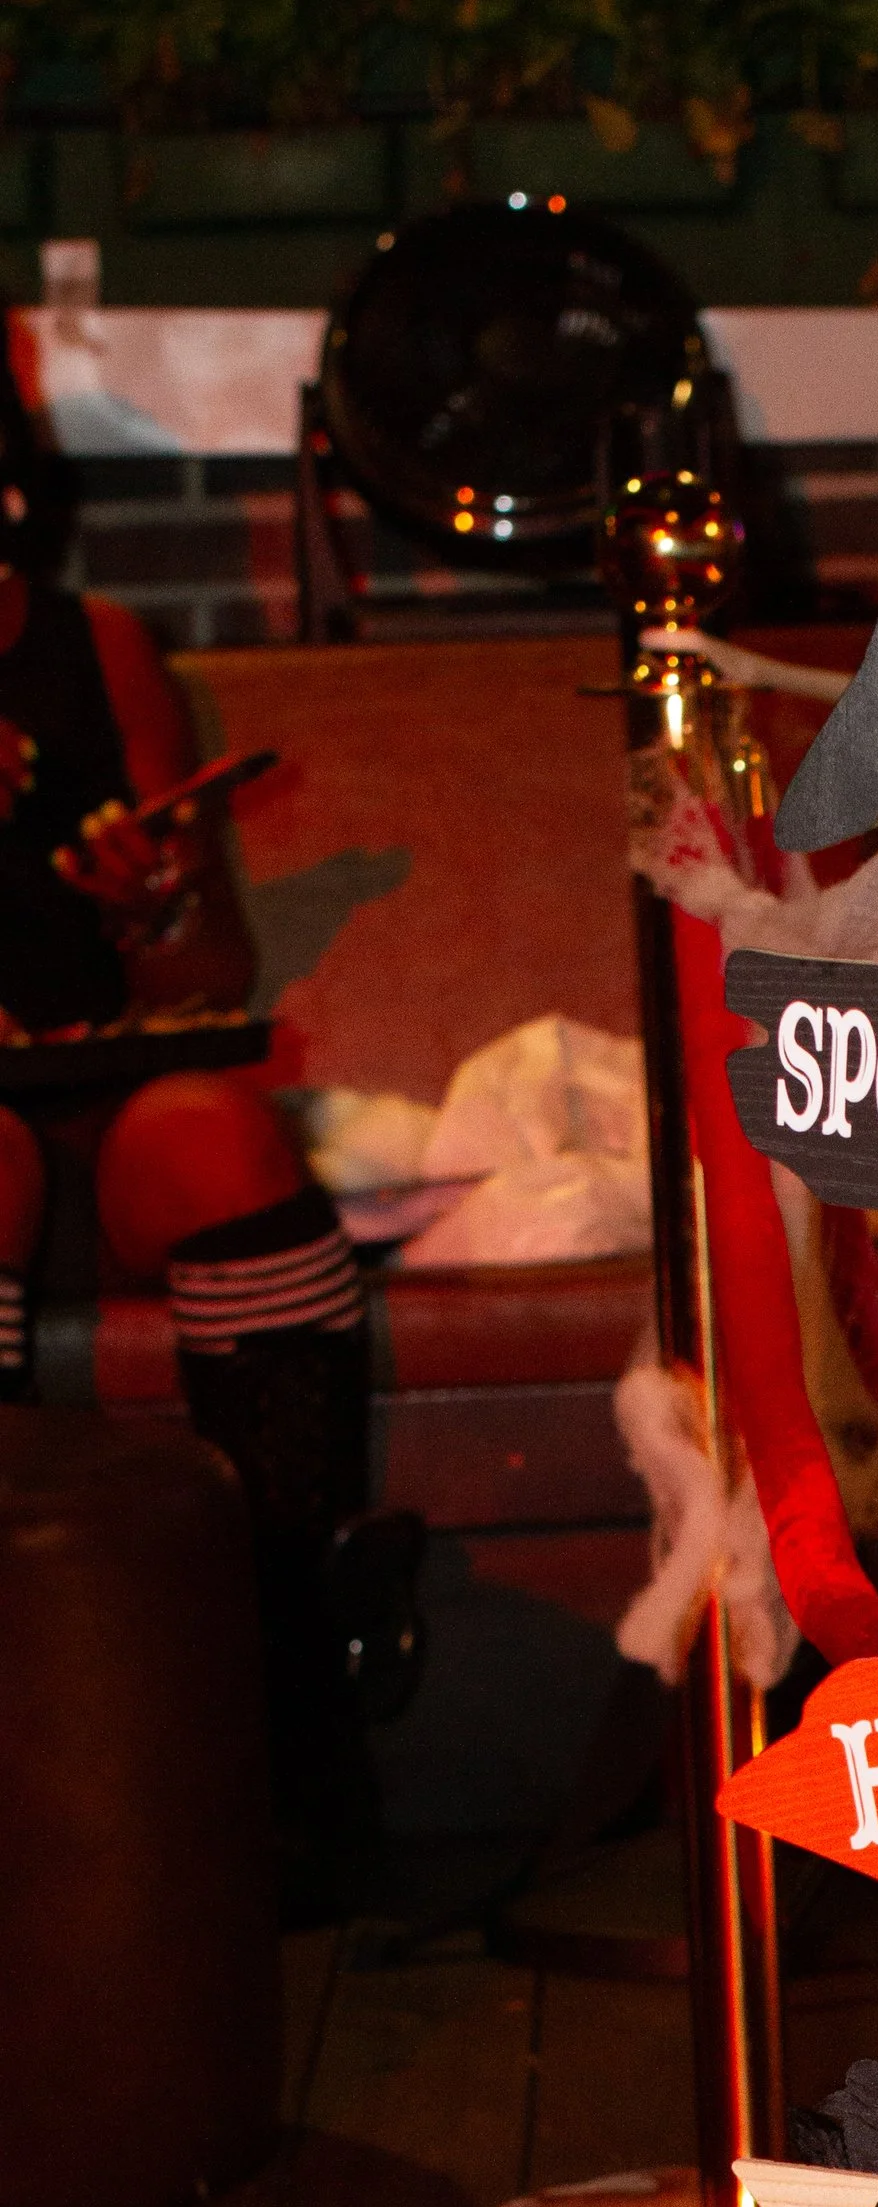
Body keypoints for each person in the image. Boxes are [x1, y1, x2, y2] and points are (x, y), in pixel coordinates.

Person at [0, 346, 373, 1840]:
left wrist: (152, 897)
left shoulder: (98, 647)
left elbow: (202, 971)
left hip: (93, 1092)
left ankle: (286, 1711)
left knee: (212, 1133)